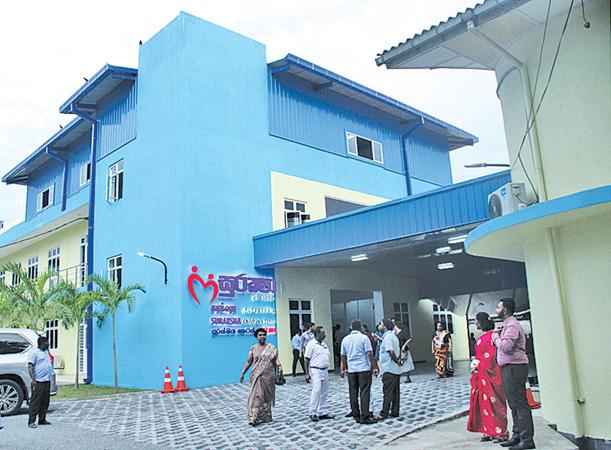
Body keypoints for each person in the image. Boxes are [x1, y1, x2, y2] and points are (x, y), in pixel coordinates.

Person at [493, 299, 535, 450]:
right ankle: (517, 436)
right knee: (513, 404)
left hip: (514, 367)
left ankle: (527, 439)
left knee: (520, 404)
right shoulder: (507, 325)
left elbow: (506, 347)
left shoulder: (512, 325)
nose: (496, 309)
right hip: (509, 367)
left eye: (498, 307)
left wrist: (495, 338)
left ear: (505, 310)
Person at [467, 312, 509, 443]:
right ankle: (488, 430)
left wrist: (478, 365)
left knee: (495, 402)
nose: (476, 324)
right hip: (481, 374)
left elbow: (491, 356)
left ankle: (500, 432)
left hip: (490, 373)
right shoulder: (484, 336)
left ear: (482, 322)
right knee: (482, 402)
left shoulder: (493, 335)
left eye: (477, 321)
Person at [240, 328, 283, 426]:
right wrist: (243, 373)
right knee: (257, 395)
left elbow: (276, 360)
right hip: (257, 375)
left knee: (266, 396)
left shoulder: (271, 348)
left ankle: (265, 416)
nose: (262, 336)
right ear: (256, 336)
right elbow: (248, 362)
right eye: (260, 335)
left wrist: (279, 366)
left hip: (268, 376)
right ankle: (253, 417)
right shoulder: (253, 348)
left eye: (264, 334)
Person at [340, 319, 379, 425]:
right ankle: (365, 416)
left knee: (353, 392)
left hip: (352, 369)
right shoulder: (364, 338)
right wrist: (374, 367)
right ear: (360, 327)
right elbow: (369, 353)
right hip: (363, 368)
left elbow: (343, 355)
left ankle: (355, 413)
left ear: (351, 327)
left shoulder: (345, 339)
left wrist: (343, 368)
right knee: (364, 391)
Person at [304, 327, 334, 422]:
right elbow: (306, 359)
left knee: (324, 391)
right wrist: (306, 373)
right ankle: (313, 412)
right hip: (315, 370)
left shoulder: (324, 345)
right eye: (323, 333)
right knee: (316, 391)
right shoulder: (311, 344)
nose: (325, 334)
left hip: (325, 370)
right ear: (317, 334)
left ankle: (321, 411)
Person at [375, 319, 402, 420]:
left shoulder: (388, 338)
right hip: (395, 369)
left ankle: (384, 413)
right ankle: (395, 411)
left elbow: (390, 351)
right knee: (395, 392)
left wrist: (396, 361)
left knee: (387, 392)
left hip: (389, 368)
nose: (379, 326)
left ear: (385, 326)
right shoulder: (392, 336)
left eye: (381, 324)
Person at [27, 336, 53, 428]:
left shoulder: (46, 352)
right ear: (42, 343)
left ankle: (42, 419)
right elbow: (30, 366)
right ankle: (31, 421)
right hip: (38, 381)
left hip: (46, 380)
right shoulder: (34, 352)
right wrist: (33, 379)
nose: (48, 344)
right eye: (47, 342)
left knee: (45, 401)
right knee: (35, 401)